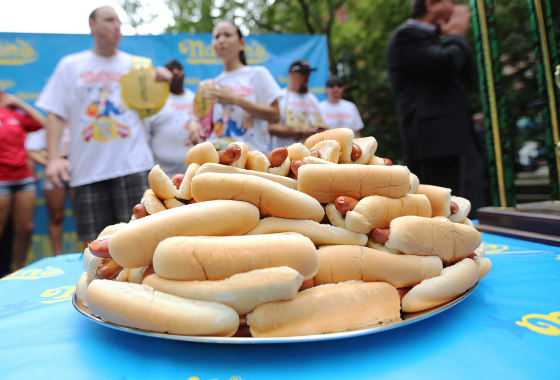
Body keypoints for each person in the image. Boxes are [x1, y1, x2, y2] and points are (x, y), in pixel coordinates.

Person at [35, 6, 169, 246]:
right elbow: (54, 113)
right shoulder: (71, 65)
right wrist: (54, 157)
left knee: (141, 240)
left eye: (119, 21)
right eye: (109, 20)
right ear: (92, 25)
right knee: (95, 247)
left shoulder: (138, 66)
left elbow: (152, 108)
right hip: (87, 172)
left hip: (133, 165)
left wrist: (162, 82)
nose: (116, 26)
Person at [386, 0, 484, 214]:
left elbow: (465, 76)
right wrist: (456, 36)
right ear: (431, 4)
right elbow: (445, 65)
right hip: (434, 142)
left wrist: (452, 37)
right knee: (443, 208)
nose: (458, 6)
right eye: (453, 1)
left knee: (464, 204)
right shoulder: (406, 36)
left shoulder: (435, 38)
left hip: (452, 137)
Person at [189, 20, 282, 153]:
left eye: (227, 35)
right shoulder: (211, 84)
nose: (221, 40)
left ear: (241, 43)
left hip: (252, 158)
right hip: (219, 159)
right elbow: (201, 119)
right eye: (216, 37)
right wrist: (194, 124)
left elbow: (275, 115)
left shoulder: (257, 73)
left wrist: (234, 99)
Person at [0, 91, 45, 271]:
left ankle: (18, 270)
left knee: (25, 229)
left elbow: (44, 124)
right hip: (1, 179)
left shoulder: (15, 115)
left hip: (23, 178)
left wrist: (20, 103)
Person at [143, 59, 200, 177]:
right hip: (162, 174)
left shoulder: (195, 99)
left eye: (179, 69)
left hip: (192, 174)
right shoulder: (156, 102)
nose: (176, 72)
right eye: (171, 70)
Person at [26, 127, 71, 256]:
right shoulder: (44, 128)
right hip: (53, 175)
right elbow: (31, 151)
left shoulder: (80, 122)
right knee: (56, 216)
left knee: (86, 215)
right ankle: (58, 256)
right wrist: (51, 162)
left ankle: (92, 252)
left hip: (79, 173)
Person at [268, 60, 327, 149]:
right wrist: (300, 131)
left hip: (310, 154)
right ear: (292, 73)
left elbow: (322, 124)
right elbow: (271, 128)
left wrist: (319, 129)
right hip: (285, 155)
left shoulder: (312, 99)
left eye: (308, 73)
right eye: (303, 73)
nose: (307, 77)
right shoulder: (280, 97)